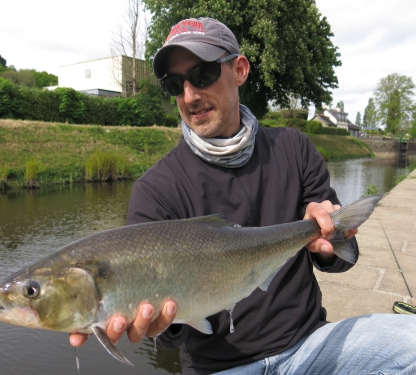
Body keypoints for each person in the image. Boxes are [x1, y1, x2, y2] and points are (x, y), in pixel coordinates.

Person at [70, 17, 416, 374]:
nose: (190, 95)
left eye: (203, 75)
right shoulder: (156, 189)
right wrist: (160, 320)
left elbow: (345, 256)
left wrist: (329, 238)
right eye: (176, 83)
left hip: (310, 345)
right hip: (219, 367)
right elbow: (169, 339)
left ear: (239, 69)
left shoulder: (294, 148)